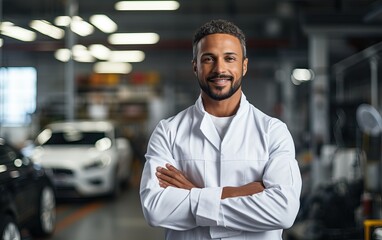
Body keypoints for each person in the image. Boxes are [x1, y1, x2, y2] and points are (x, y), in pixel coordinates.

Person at [140, 19, 302, 240]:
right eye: (208, 59)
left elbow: (283, 211)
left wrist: (194, 194)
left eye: (229, 58)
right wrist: (239, 192)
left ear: (244, 65)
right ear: (195, 65)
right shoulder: (168, 132)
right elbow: (155, 209)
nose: (219, 69)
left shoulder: (273, 132)